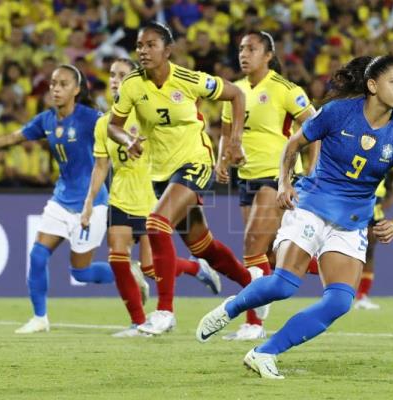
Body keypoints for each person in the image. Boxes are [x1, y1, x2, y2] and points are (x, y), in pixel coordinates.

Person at [196, 55, 393, 379]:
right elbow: (293, 145)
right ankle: (230, 309)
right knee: (284, 285)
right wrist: (284, 184)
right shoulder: (338, 112)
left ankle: (264, 352)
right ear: (373, 85)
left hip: (352, 221)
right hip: (311, 206)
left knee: (340, 303)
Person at [107, 21, 254, 335]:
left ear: (167, 50)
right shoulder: (133, 85)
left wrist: (235, 141)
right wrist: (126, 140)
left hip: (195, 162)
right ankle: (253, 286)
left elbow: (236, 94)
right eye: (139, 46)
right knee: (204, 248)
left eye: (150, 45)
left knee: (155, 223)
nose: (143, 51)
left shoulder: (188, 79)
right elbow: (113, 125)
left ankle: (165, 312)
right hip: (161, 173)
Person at [0, 64, 116, 334]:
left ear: (76, 89)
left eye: (62, 84)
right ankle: (40, 318)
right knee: (38, 254)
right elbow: (13, 138)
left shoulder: (91, 118)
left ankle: (127, 272)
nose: (55, 89)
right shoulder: (46, 120)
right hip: (61, 200)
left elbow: (115, 130)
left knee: (81, 273)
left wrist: (132, 140)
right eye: (52, 83)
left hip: (91, 203)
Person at [81, 58, 222, 337]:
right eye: (111, 75)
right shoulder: (104, 124)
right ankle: (137, 321)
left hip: (150, 196)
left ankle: (195, 268)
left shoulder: (149, 113)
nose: (114, 80)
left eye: (122, 75)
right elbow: (100, 166)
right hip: (121, 196)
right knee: (117, 259)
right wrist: (88, 204)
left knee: (149, 267)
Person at [216, 31, 318, 340]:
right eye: (241, 48)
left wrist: (312, 173)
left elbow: (316, 128)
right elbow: (226, 130)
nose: (244, 54)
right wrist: (221, 159)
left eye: (252, 49)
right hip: (246, 177)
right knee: (266, 254)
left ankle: (254, 322)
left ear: (268, 55)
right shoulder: (235, 91)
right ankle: (314, 263)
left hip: (277, 178)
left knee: (251, 246)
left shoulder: (285, 90)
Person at [354, 171, 393, 310]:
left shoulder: (389, 162)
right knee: (358, 250)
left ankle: (362, 295)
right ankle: (346, 292)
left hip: (375, 207)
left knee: (368, 252)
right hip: (360, 202)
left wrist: (388, 200)